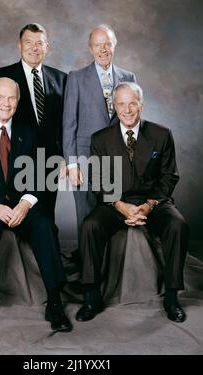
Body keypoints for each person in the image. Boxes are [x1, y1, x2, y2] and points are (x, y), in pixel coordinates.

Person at [0, 77, 72, 332]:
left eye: (12, 98)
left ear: (18, 102)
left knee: (45, 227)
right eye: (0, 97)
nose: (6, 104)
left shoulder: (29, 131)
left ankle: (54, 301)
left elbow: (40, 173)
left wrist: (26, 203)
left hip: (21, 205)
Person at [75, 82, 189, 323]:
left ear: (141, 104)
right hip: (115, 202)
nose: (127, 110)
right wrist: (119, 205)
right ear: (114, 107)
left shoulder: (161, 134)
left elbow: (169, 176)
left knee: (178, 225)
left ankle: (171, 296)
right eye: (121, 104)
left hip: (153, 201)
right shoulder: (100, 139)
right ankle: (91, 295)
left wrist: (149, 204)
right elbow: (97, 179)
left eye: (132, 103)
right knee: (89, 226)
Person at [0, 23, 67, 222]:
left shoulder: (61, 78)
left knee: (45, 215)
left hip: (50, 159)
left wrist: (65, 157)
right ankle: (18, 253)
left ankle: (47, 250)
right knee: (14, 212)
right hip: (15, 157)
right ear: (19, 46)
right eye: (28, 42)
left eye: (40, 43)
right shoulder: (1, 76)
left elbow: (66, 122)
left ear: (47, 47)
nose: (34, 48)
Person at [62, 24, 136, 234]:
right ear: (90, 48)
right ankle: (88, 264)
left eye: (107, 44)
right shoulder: (76, 77)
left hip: (118, 159)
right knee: (86, 216)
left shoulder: (128, 78)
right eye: (98, 45)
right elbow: (69, 124)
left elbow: (133, 122)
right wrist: (72, 164)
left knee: (114, 212)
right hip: (84, 159)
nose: (103, 50)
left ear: (115, 46)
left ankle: (111, 262)